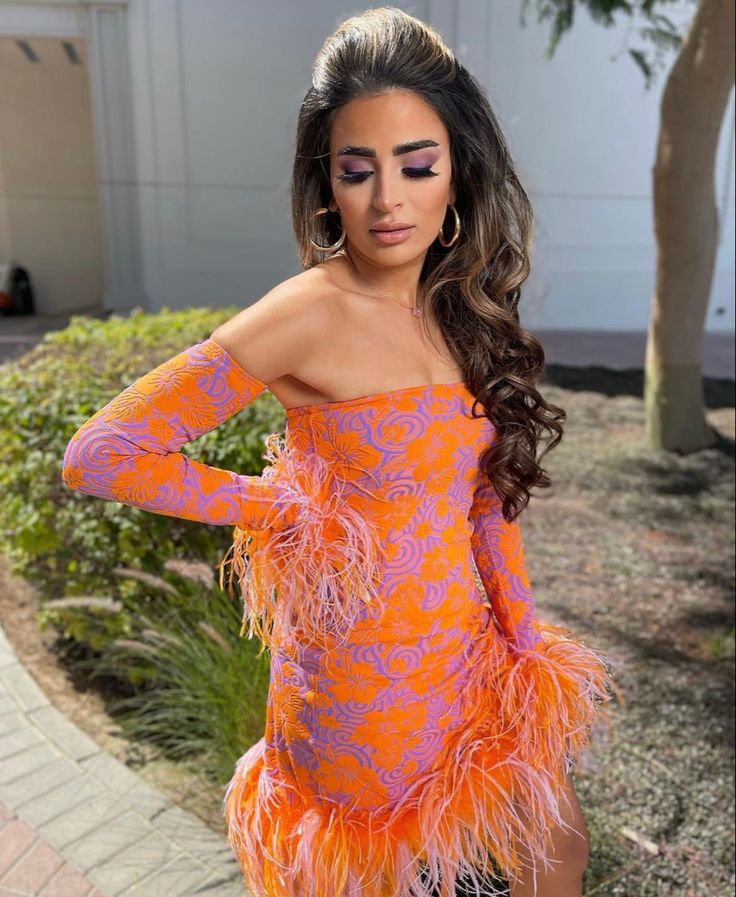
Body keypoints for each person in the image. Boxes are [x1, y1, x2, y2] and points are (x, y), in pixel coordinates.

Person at [61, 7, 618, 897]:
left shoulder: (458, 305)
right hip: (359, 694)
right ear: (326, 184)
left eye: (416, 166)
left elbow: (482, 500)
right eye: (357, 170)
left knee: (553, 856)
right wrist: (281, 507)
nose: (387, 198)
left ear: (457, 176)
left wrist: (524, 643)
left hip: (471, 667)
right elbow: (103, 452)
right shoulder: (304, 312)